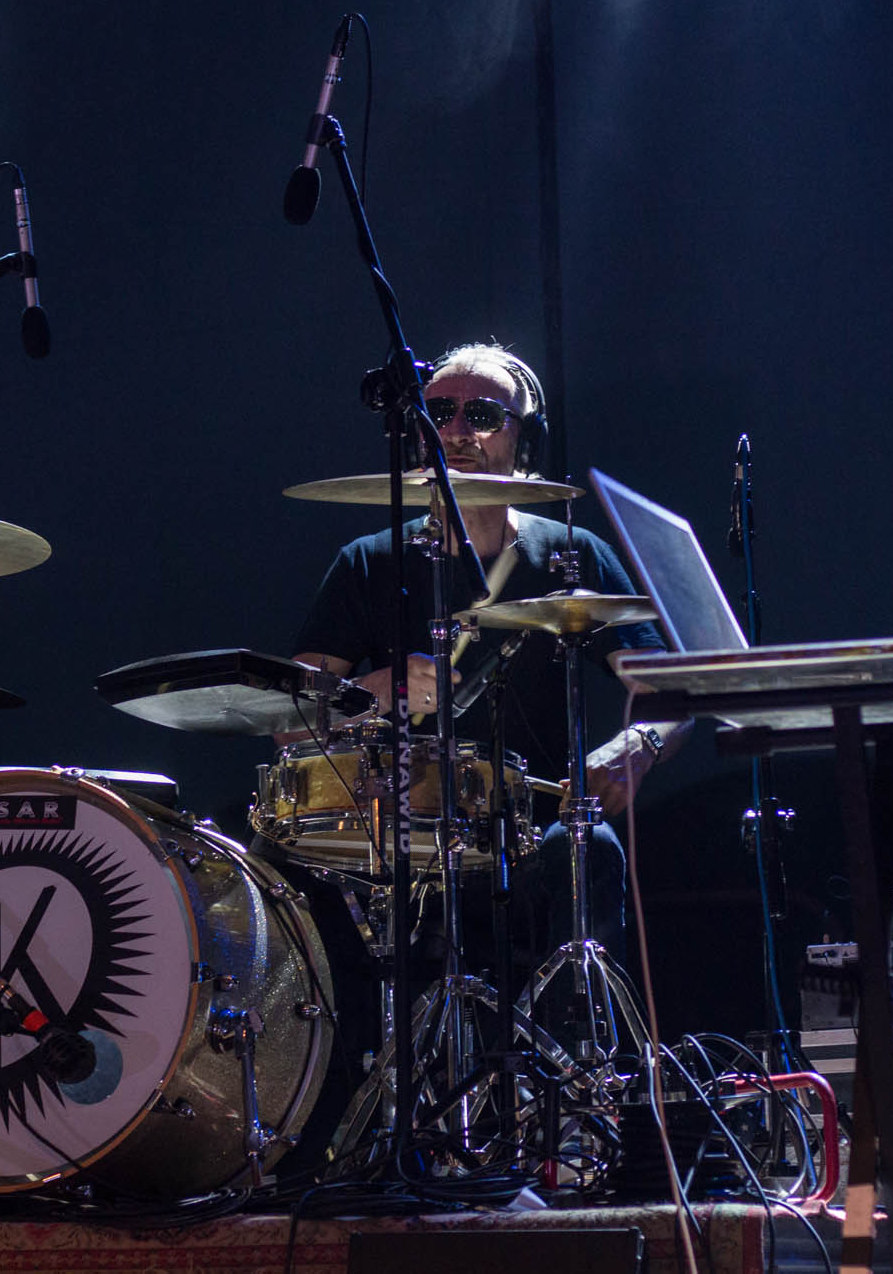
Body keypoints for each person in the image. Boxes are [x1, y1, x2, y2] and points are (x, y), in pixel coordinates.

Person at [287, 342, 686, 967]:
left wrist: (641, 745)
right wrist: (379, 689)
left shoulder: (573, 554)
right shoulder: (367, 562)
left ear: (525, 442)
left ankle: (579, 1029)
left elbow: (672, 693)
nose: (456, 431)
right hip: (399, 826)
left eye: (481, 416)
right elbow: (290, 721)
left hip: (533, 828)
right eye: (439, 413)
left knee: (591, 851)